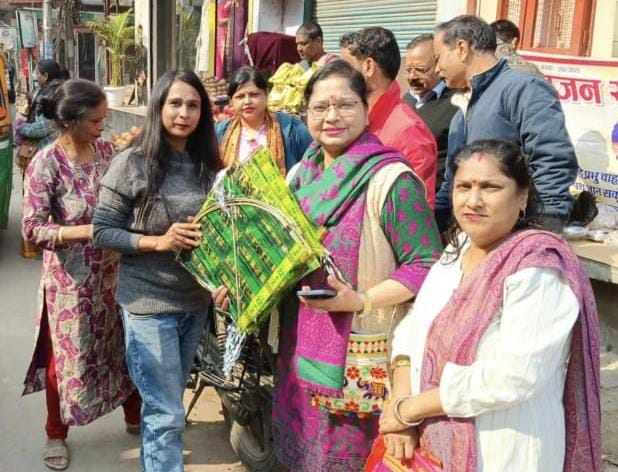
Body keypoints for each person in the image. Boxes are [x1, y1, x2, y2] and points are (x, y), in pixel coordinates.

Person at [381, 140, 601, 471]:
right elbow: (414, 326)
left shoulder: (538, 270)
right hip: (432, 439)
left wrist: (410, 410)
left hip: (504, 448)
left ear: (522, 196)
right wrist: (400, 403)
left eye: (490, 187)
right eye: (464, 187)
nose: (473, 200)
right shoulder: (458, 247)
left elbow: (514, 377)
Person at [269, 59, 442, 471]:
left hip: (359, 354)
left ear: (367, 109)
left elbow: (426, 265)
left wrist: (361, 299)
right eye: (320, 107)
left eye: (345, 105)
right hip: (298, 347)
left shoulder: (391, 180)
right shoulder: (300, 175)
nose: (332, 116)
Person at [93, 69, 228, 472]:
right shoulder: (132, 163)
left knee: (167, 405)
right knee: (166, 412)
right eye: (175, 103)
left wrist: (222, 280)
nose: (184, 113)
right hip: (149, 305)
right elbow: (102, 231)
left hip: (194, 304)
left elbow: (220, 233)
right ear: (158, 107)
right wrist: (158, 242)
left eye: (193, 105)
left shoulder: (208, 166)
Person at [21, 78, 141, 472]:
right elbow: (32, 229)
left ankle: (134, 416)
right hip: (70, 286)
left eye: (105, 119)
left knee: (123, 349)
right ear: (71, 120)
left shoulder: (106, 151)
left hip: (113, 276)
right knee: (65, 362)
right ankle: (56, 431)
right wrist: (87, 231)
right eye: (96, 120)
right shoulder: (46, 164)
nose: (103, 126)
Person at [433, 15, 578, 232]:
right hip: (474, 233)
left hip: (516, 232)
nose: (436, 69)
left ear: (461, 48)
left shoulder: (523, 88)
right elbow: (452, 181)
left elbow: (552, 159)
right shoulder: (461, 110)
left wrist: (544, 227)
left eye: (438, 58)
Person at [339, 27, 437, 208]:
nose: (338, 77)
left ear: (368, 67)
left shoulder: (409, 132)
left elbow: (415, 213)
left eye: (345, 67)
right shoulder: (353, 120)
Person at [215, 66, 312, 173]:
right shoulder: (220, 133)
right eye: (240, 96)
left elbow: (313, 169)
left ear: (266, 94)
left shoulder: (292, 129)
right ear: (231, 101)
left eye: (254, 94)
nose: (247, 101)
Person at [403, 34, 458, 193]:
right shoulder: (405, 100)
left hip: (437, 195)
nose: (412, 77)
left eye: (420, 70)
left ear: (438, 64)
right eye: (408, 70)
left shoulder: (457, 102)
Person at [15, 60, 69, 152]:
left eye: (38, 74)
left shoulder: (46, 95)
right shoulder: (65, 88)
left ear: (45, 76)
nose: (36, 77)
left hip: (50, 147)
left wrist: (20, 126)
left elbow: (41, 129)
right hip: (65, 143)